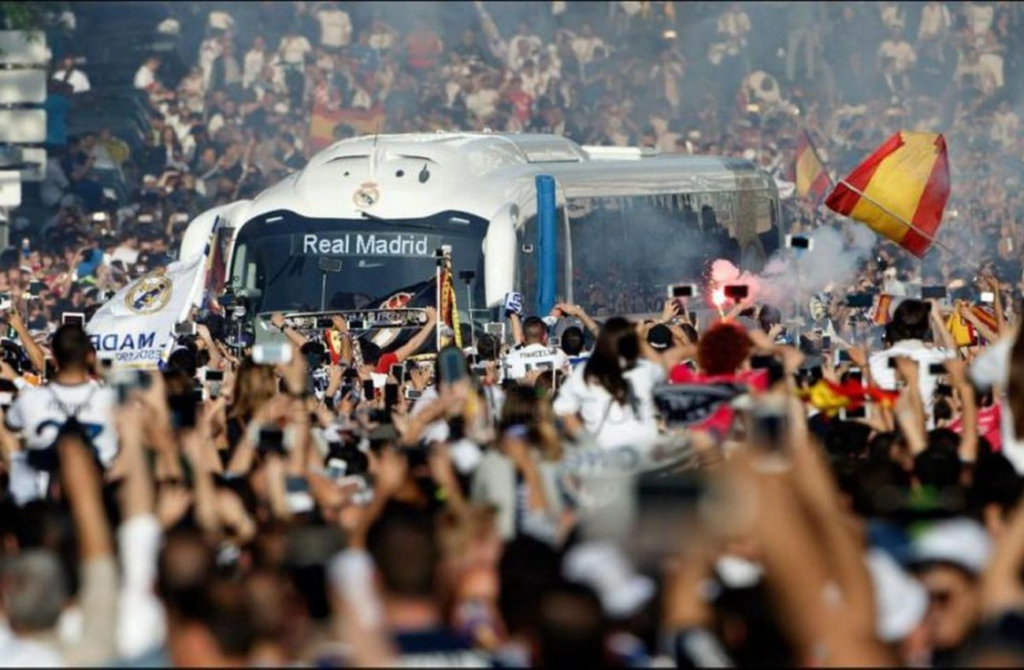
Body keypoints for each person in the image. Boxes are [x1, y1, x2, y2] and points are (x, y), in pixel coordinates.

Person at [5, 325, 116, 504]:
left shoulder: (30, 399)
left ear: (54, 358)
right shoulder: (112, 400)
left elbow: (10, 427)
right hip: (103, 501)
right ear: (90, 357)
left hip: (40, 506)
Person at [552, 317, 666, 451]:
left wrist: (586, 442)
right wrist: (639, 340)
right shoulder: (644, 368)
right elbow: (663, 367)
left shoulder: (585, 371)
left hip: (605, 455)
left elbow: (563, 411)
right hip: (644, 452)